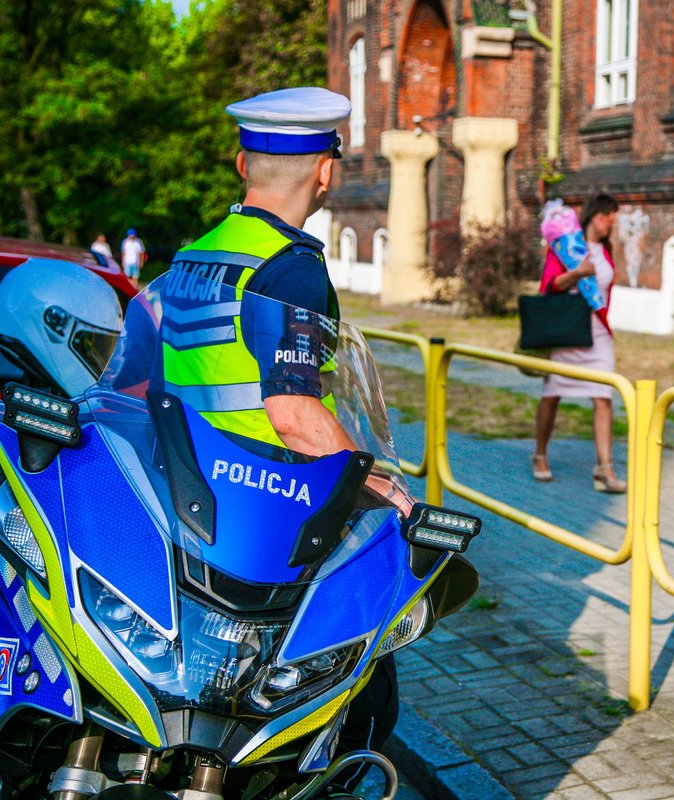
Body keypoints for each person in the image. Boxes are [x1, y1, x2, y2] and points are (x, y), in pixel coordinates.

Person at [159, 86, 401, 783]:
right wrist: (376, 484)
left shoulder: (193, 256)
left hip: (189, 499)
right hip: (268, 505)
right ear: (326, 173)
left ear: (243, 164)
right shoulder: (289, 266)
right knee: (351, 685)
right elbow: (293, 411)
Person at [531, 192, 625, 493]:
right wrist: (578, 273)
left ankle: (604, 468)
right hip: (567, 331)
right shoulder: (565, 245)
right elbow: (550, 285)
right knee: (553, 394)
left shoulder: (605, 249)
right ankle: (540, 454)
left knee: (603, 397)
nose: (611, 221)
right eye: (607, 215)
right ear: (593, 216)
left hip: (597, 332)